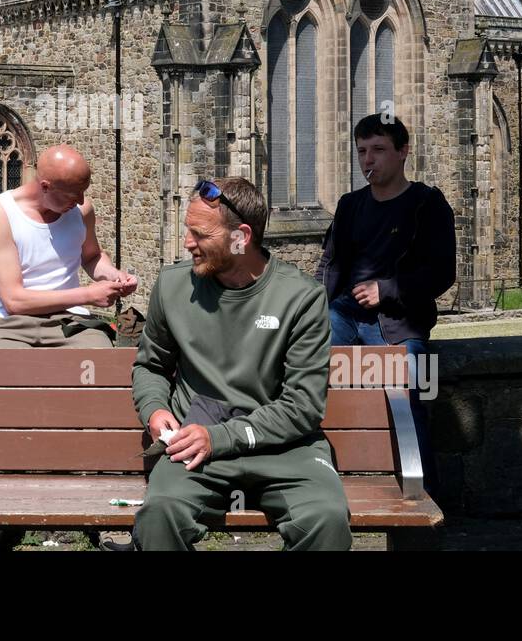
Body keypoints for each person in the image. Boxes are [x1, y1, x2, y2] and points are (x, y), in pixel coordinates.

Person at [128, 177, 351, 551]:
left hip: (284, 448)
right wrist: (154, 409)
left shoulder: (301, 298)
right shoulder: (172, 286)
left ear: (241, 236)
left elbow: (303, 407)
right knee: (159, 514)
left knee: (326, 520)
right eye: (188, 230)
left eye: (200, 234)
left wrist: (219, 438)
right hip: (195, 447)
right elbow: (151, 366)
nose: (187, 243)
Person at [317, 114, 455, 495]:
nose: (368, 160)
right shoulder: (350, 205)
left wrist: (388, 289)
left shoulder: (427, 204)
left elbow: (442, 273)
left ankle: (426, 500)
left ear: (403, 152)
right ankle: (318, 487)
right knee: (307, 376)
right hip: (344, 315)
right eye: (362, 151)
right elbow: (329, 266)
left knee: (410, 397)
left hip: (398, 324)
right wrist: (312, 310)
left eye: (378, 149)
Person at [0, 143, 137, 349]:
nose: (80, 200)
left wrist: (113, 274)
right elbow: (14, 301)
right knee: (2, 369)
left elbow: (92, 257)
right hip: (9, 324)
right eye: (72, 194)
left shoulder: (82, 211)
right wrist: (88, 295)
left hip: (71, 321)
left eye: (83, 192)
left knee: (100, 362)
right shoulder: (1, 213)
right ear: (45, 186)